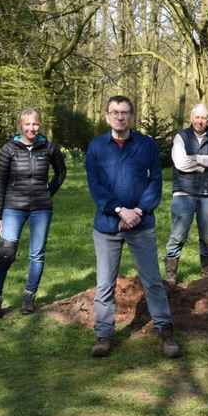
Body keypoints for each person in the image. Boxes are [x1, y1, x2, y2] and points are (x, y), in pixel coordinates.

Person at [85, 95, 180, 358]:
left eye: (125, 112)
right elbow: (96, 186)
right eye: (114, 112)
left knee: (152, 281)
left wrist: (138, 210)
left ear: (132, 116)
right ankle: (104, 335)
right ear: (107, 116)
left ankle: (165, 331)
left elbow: (156, 182)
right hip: (107, 225)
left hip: (141, 223)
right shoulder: (96, 147)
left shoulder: (146, 146)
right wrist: (118, 210)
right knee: (105, 284)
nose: (120, 116)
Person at [0, 108, 67, 320]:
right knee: (6, 252)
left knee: (37, 254)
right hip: (13, 207)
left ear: (40, 125)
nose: (31, 128)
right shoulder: (9, 149)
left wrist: (49, 191)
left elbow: (61, 172)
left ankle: (29, 296)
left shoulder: (48, 147)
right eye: (27, 124)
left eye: (35, 124)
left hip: (41, 208)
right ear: (20, 125)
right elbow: (0, 183)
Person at [164, 103, 208, 287]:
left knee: (207, 236)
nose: (200, 121)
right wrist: (205, 162)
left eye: (204, 118)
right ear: (191, 118)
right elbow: (181, 163)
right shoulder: (181, 137)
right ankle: (171, 276)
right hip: (184, 192)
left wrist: (196, 159)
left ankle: (207, 273)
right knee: (178, 234)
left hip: (207, 193)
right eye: (197, 117)